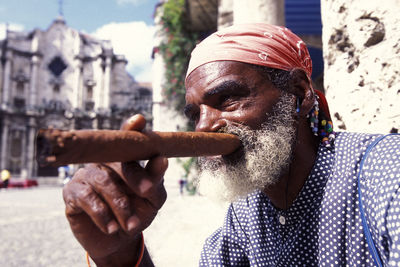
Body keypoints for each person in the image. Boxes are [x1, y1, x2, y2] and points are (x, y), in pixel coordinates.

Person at [62, 23, 400, 266]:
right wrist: (118, 255)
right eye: (194, 113)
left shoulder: (385, 175)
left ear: (299, 92)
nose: (205, 126)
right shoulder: (246, 214)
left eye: (227, 99)